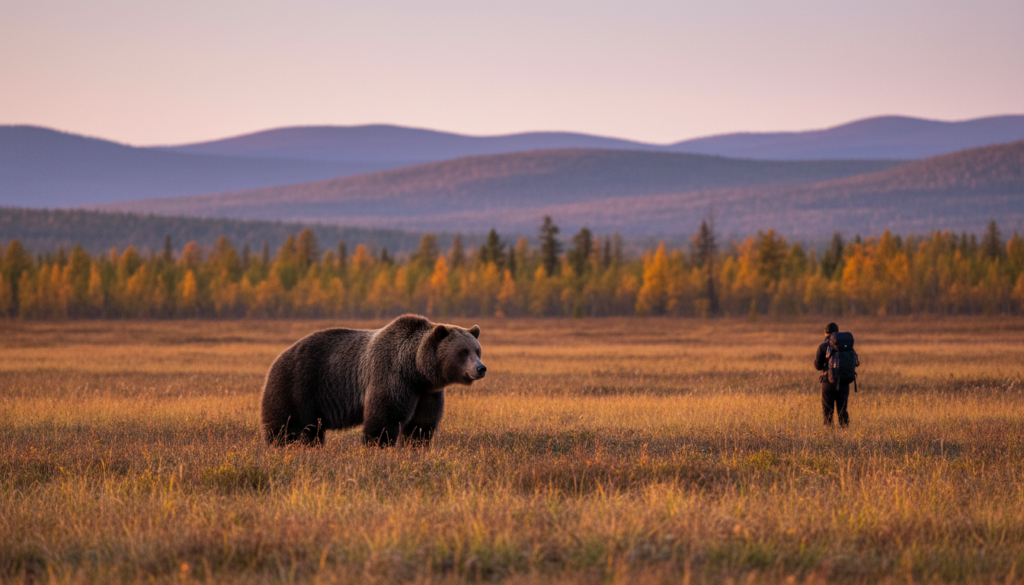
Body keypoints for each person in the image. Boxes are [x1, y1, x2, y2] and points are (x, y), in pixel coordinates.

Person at [814, 322, 850, 427]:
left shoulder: (823, 347)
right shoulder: (845, 346)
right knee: (842, 409)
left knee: (827, 411)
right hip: (843, 381)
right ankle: (845, 433)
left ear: (826, 333)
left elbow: (817, 366)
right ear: (837, 332)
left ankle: (829, 433)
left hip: (828, 382)